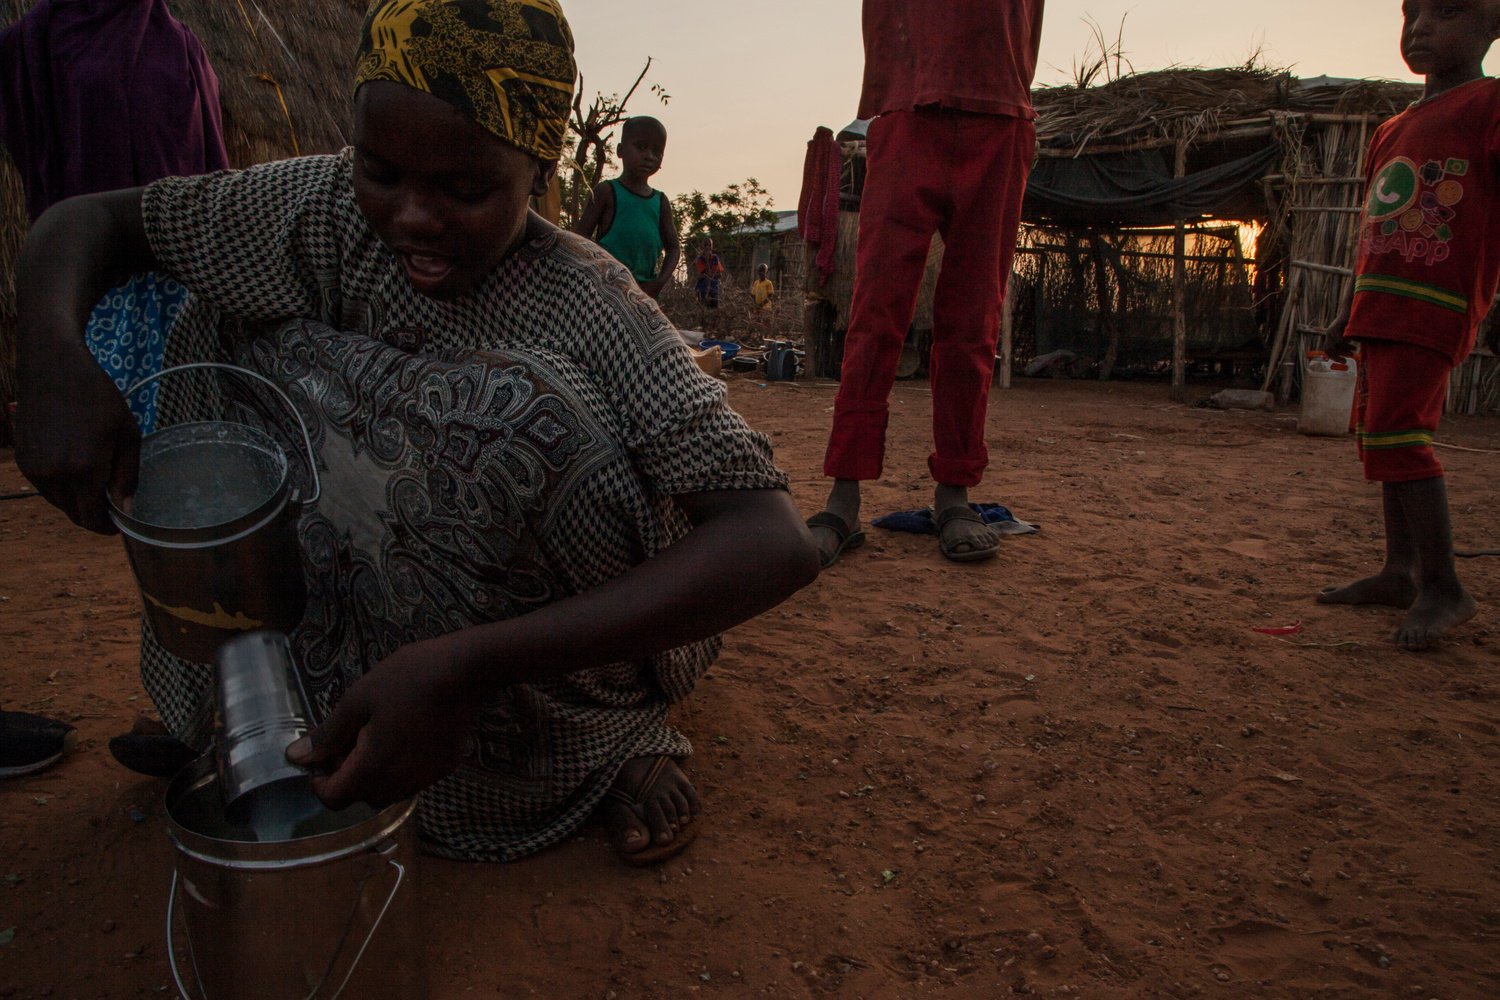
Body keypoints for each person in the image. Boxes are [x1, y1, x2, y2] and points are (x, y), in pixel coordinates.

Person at [13, 0, 819, 864]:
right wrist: (52, 354)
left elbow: (771, 542)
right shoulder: (322, 208)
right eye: (382, 173)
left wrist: (466, 666)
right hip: (380, 579)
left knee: (522, 415)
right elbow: (90, 222)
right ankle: (250, 710)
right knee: (219, 321)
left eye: (464, 190)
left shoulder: (590, 303)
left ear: (538, 169)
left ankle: (604, 745)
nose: (411, 216)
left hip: (548, 639)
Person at [0, 0, 229, 776]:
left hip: (182, 290)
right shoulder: (35, 44)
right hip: (95, 288)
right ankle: (189, 696)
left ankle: (197, 703)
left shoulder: (181, 46)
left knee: (192, 492)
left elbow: (213, 176)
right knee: (137, 495)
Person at [806, 2, 1045, 568]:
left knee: (973, 321)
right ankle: (845, 495)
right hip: (908, 106)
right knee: (875, 311)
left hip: (1001, 112)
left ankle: (954, 494)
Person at [1318, 0, 1500, 651]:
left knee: (1403, 437)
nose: (1421, 26)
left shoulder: (1489, 106)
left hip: (1435, 301)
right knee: (1380, 439)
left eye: (1446, 12)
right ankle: (1399, 571)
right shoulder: (1392, 128)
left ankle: (1445, 587)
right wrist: (1349, 307)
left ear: (1491, 26)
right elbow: (1375, 229)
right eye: (1412, 11)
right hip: (1382, 304)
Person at [573, 116, 679, 300]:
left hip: (644, 294)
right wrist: (593, 275)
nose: (649, 156)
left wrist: (658, 283)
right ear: (620, 150)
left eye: (657, 151)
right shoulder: (606, 191)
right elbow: (579, 239)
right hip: (605, 291)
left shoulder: (660, 201)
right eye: (641, 147)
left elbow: (674, 248)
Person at [693, 236, 725, 325]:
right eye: (705, 245)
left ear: (712, 246)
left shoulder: (715, 258)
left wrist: (710, 275)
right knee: (704, 312)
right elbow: (702, 274)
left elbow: (719, 274)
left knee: (715, 312)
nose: (707, 247)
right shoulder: (699, 259)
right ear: (702, 247)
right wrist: (707, 261)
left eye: (709, 245)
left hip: (714, 289)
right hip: (702, 290)